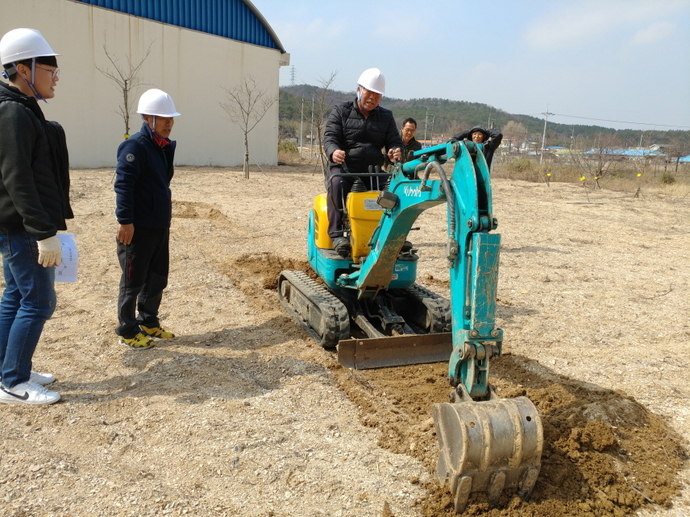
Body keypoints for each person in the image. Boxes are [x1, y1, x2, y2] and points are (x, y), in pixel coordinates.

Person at [0, 28, 72, 405]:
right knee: (39, 301)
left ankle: (9, 367)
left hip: (19, 226)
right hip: (23, 228)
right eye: (50, 69)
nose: (55, 76)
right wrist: (44, 232)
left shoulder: (22, 108)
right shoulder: (12, 111)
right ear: (24, 69)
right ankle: (13, 382)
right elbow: (18, 179)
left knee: (16, 294)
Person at [114, 88, 180, 349]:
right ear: (147, 119)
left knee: (157, 277)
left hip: (159, 225)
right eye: (163, 118)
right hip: (138, 228)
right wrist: (125, 220)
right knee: (133, 281)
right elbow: (124, 185)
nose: (169, 123)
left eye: (171, 118)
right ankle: (127, 330)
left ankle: (149, 321)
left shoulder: (162, 148)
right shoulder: (135, 147)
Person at [323, 68, 403, 258]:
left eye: (377, 95)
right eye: (369, 92)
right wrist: (334, 152)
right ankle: (336, 235)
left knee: (397, 187)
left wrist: (395, 150)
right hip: (345, 170)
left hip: (373, 172)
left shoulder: (386, 117)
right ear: (359, 89)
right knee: (336, 183)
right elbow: (330, 137)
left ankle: (395, 235)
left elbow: (395, 141)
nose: (372, 98)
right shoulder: (340, 112)